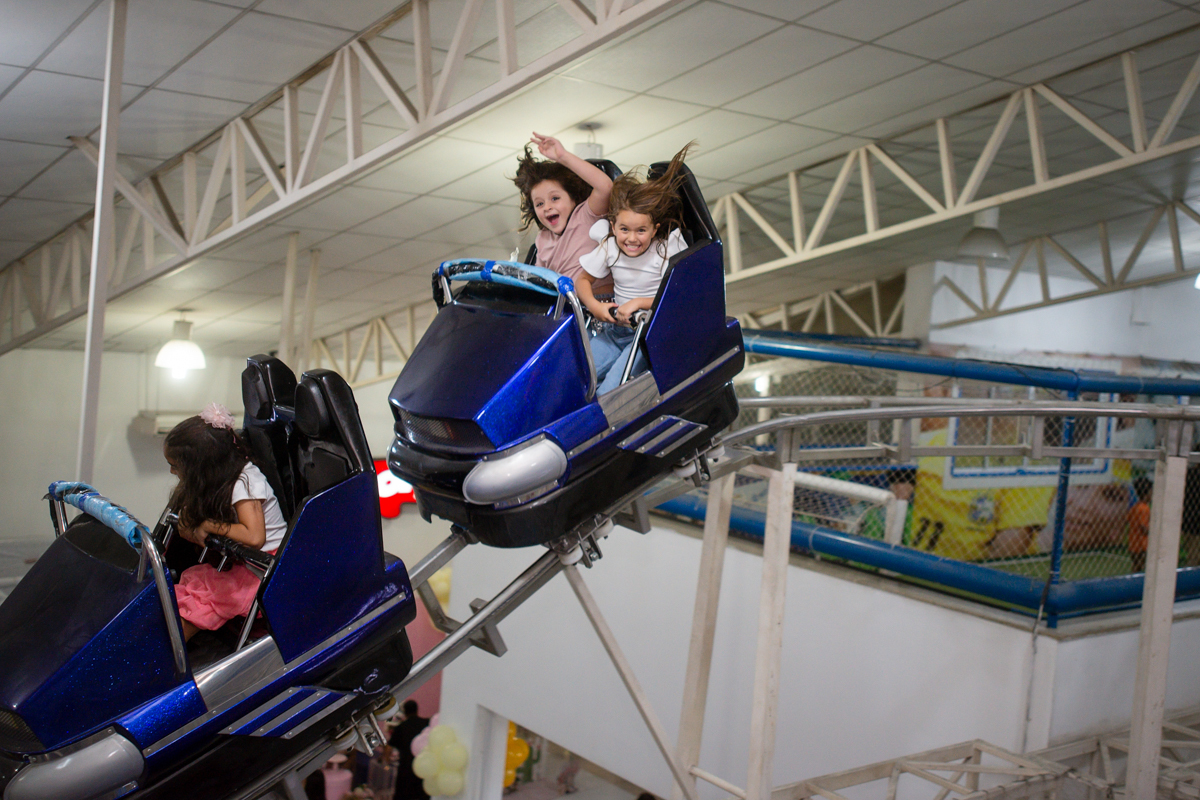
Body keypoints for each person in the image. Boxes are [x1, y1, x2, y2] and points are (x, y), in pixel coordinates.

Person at [575, 142, 695, 394]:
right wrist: (595, 307)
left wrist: (639, 303)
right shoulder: (610, 247)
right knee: (575, 379)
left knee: (608, 391)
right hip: (615, 332)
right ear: (613, 227)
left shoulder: (665, 249)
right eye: (624, 229)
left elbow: (679, 297)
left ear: (654, 229)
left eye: (641, 230)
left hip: (646, 334)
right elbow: (582, 281)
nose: (632, 238)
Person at [164, 402, 287, 641]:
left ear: (200, 465)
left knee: (200, 601)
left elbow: (254, 537)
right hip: (242, 564)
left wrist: (208, 525)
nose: (172, 472)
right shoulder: (220, 478)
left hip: (264, 569)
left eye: (174, 466)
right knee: (187, 590)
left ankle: (167, 654)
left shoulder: (245, 481)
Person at [512, 132, 614, 293]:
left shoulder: (586, 216)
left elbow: (605, 187)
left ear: (573, 197)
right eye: (539, 203)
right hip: (566, 304)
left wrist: (563, 156)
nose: (547, 207)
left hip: (599, 301)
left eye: (555, 198)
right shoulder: (542, 239)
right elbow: (538, 283)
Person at [388, 700, 430, 800]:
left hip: (405, 770)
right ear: (416, 710)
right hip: (423, 768)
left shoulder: (401, 727)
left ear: (405, 712)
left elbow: (389, 747)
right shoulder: (426, 723)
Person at [1128, 476, 1152, 573]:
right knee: (1143, 567)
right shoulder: (1145, 508)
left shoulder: (1135, 507)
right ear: (1147, 493)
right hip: (1142, 545)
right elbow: (1143, 527)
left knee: (1136, 567)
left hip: (1133, 543)